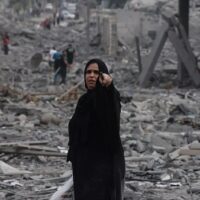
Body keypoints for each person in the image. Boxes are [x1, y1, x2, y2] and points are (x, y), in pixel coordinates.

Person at [67, 58, 125, 200]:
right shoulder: (84, 100)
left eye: (96, 72)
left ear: (103, 75)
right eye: (88, 72)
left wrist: (109, 86)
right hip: (84, 167)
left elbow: (111, 111)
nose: (91, 75)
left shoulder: (108, 96)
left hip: (103, 168)